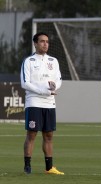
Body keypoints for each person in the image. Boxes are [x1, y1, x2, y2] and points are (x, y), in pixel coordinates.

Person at [20, 32, 64, 175]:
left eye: (47, 41)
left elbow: (59, 80)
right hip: (34, 102)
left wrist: (54, 87)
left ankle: (49, 168)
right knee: (31, 134)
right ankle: (27, 166)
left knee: (49, 135)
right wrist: (42, 90)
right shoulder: (29, 61)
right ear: (35, 43)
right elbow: (25, 83)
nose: (45, 44)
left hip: (49, 103)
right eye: (42, 41)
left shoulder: (53, 61)